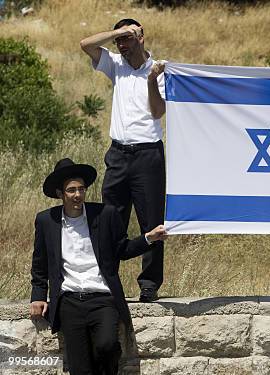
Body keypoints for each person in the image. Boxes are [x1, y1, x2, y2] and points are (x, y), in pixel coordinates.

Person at [30, 158, 167, 374]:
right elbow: (40, 263)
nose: (78, 195)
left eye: (81, 189)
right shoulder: (47, 221)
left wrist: (148, 238)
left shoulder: (105, 215)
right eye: (71, 190)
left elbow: (122, 249)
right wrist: (38, 295)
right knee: (80, 367)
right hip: (69, 301)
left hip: (102, 298)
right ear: (60, 194)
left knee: (107, 345)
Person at [80, 18, 167, 302]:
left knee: (151, 219)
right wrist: (117, 32)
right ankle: (107, 277)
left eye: (127, 38)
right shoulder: (115, 64)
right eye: (118, 40)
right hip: (117, 154)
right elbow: (86, 45)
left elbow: (157, 112)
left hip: (147, 155)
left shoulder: (159, 69)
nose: (121, 44)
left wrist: (152, 81)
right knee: (110, 218)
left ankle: (149, 284)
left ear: (141, 37)